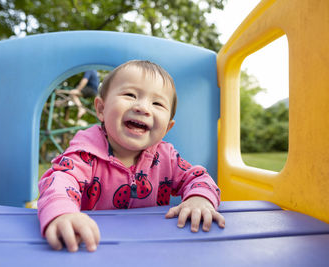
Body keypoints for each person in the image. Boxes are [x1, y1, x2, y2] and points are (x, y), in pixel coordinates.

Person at [37, 60, 225, 253]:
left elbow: (199, 177)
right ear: (101, 109)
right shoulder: (84, 154)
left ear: (167, 127)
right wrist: (62, 213)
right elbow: (58, 181)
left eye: (157, 103)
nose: (143, 107)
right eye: (130, 95)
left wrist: (199, 199)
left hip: (150, 247)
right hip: (91, 245)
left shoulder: (167, 158)